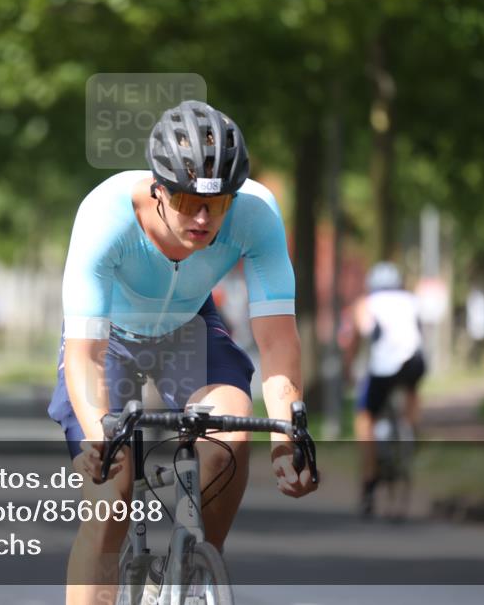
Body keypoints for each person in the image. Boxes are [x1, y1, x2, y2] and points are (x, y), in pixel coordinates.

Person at [47, 100, 317, 604]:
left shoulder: (257, 214)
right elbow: (84, 354)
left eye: (216, 205)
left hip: (188, 324)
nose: (201, 217)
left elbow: (278, 337)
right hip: (110, 338)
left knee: (233, 427)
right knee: (111, 498)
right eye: (188, 200)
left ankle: (190, 573)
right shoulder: (105, 216)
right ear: (158, 189)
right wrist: (96, 435)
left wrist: (287, 436)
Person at [345, 261, 425, 517]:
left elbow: (356, 339)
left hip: (383, 367)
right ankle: (411, 430)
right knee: (412, 390)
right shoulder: (411, 300)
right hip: (415, 362)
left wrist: (349, 366)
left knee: (365, 416)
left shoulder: (365, 303)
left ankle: (369, 479)